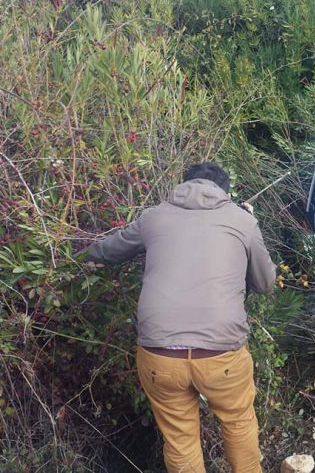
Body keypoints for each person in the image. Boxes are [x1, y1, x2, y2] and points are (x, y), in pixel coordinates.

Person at [81, 162, 276, 473]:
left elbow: (106, 251)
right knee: (238, 425)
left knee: (180, 440)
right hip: (221, 354)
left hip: (160, 356)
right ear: (224, 191)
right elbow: (264, 283)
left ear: (184, 185)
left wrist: (77, 255)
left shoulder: (154, 217)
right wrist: (250, 222)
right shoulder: (242, 220)